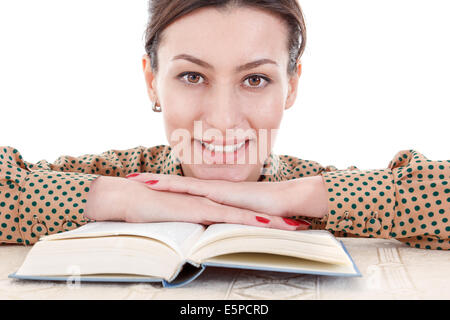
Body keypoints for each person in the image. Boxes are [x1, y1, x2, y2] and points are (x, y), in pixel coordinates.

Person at [0, 0, 448, 250]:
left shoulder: (320, 196)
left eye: (255, 79)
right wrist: (118, 197)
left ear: (290, 87)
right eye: (192, 76)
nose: (222, 120)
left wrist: (293, 196)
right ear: (152, 82)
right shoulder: (115, 174)